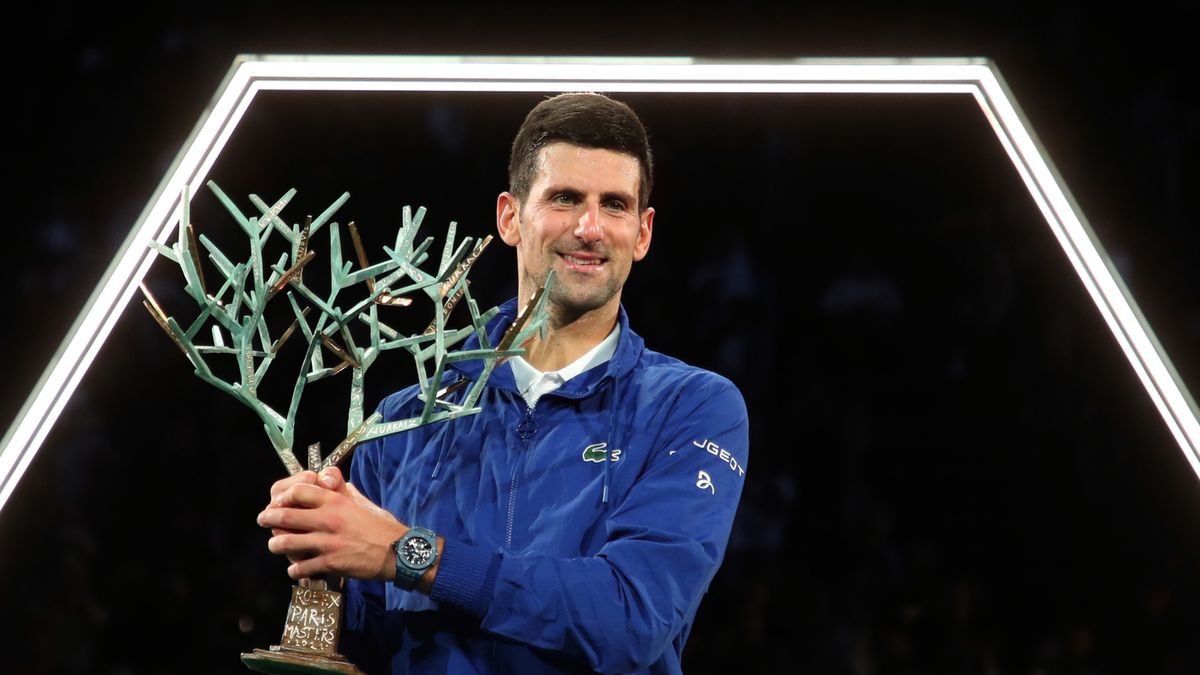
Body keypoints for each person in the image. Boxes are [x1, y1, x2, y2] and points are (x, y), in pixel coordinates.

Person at [257, 92, 749, 674]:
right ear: (510, 218)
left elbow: (631, 618)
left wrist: (406, 554)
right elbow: (367, 648)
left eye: (614, 205)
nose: (590, 228)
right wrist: (321, 557)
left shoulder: (691, 408)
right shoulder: (401, 417)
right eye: (565, 199)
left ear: (642, 234)